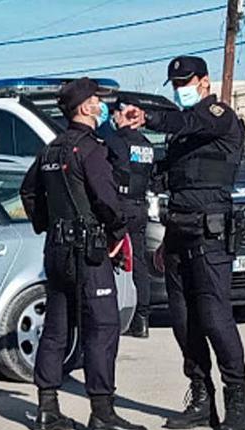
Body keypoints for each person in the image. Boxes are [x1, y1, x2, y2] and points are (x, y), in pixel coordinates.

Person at [123, 56, 245, 430]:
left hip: (210, 232)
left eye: (186, 80)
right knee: (183, 320)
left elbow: (185, 120)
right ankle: (200, 396)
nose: (181, 87)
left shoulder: (216, 115)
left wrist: (147, 116)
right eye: (175, 82)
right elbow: (164, 173)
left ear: (204, 81)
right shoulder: (182, 134)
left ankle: (237, 401)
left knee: (214, 317)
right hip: (177, 229)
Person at [19, 77, 147, 430]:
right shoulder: (90, 149)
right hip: (88, 251)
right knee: (103, 327)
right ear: (85, 107)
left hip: (57, 250)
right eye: (97, 101)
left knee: (57, 327)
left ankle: (47, 408)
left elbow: (28, 191)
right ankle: (102, 412)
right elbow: (107, 200)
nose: (101, 105)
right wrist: (118, 233)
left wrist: (46, 223)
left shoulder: (51, 149)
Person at [100, 101, 154, 338]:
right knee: (139, 262)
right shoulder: (147, 145)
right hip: (140, 206)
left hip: (119, 206)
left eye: (117, 113)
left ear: (126, 116)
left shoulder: (115, 141)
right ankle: (142, 318)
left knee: (108, 259)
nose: (114, 117)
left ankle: (110, 314)